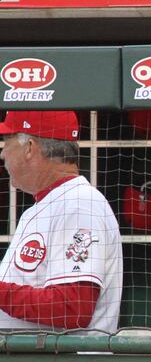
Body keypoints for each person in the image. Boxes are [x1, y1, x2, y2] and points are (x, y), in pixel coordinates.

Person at [0, 110, 122, 332]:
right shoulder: (48, 205)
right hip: (37, 353)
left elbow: (72, 309)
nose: (3, 154)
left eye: (7, 142)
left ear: (29, 148)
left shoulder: (79, 204)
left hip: (67, 355)